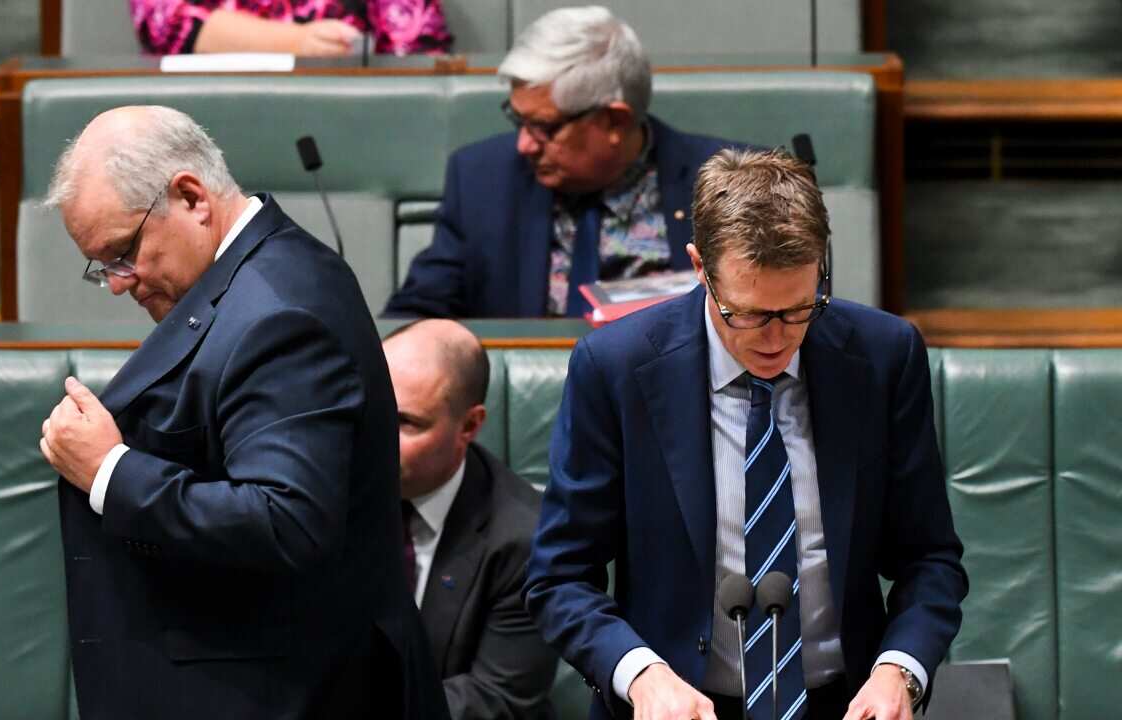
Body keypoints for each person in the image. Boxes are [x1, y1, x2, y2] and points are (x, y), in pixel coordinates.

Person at [524, 148, 968, 720]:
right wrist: (640, 675)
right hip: (677, 705)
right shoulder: (616, 369)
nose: (776, 338)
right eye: (748, 314)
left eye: (799, 309)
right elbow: (560, 576)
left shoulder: (883, 358)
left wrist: (900, 670)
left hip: (845, 702)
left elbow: (930, 558)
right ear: (699, 267)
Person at [38, 105, 449, 719]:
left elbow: (286, 519)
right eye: (104, 266)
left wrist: (110, 472)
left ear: (191, 197)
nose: (119, 282)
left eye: (123, 252)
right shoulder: (251, 278)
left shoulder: (280, 311)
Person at [384, 5, 747, 319]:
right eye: (518, 120)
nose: (524, 144)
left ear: (614, 122)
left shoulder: (731, 186)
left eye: (543, 127)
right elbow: (420, 310)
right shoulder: (482, 179)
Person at [383, 319, 560, 719]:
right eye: (371, 408)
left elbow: (497, 699)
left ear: (469, 425)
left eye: (406, 423)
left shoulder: (525, 539)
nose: (374, 436)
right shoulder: (328, 494)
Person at [130, 0, 452, 57]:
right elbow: (164, 21)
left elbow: (415, 46)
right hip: (205, 113)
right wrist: (298, 41)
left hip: (339, 111)